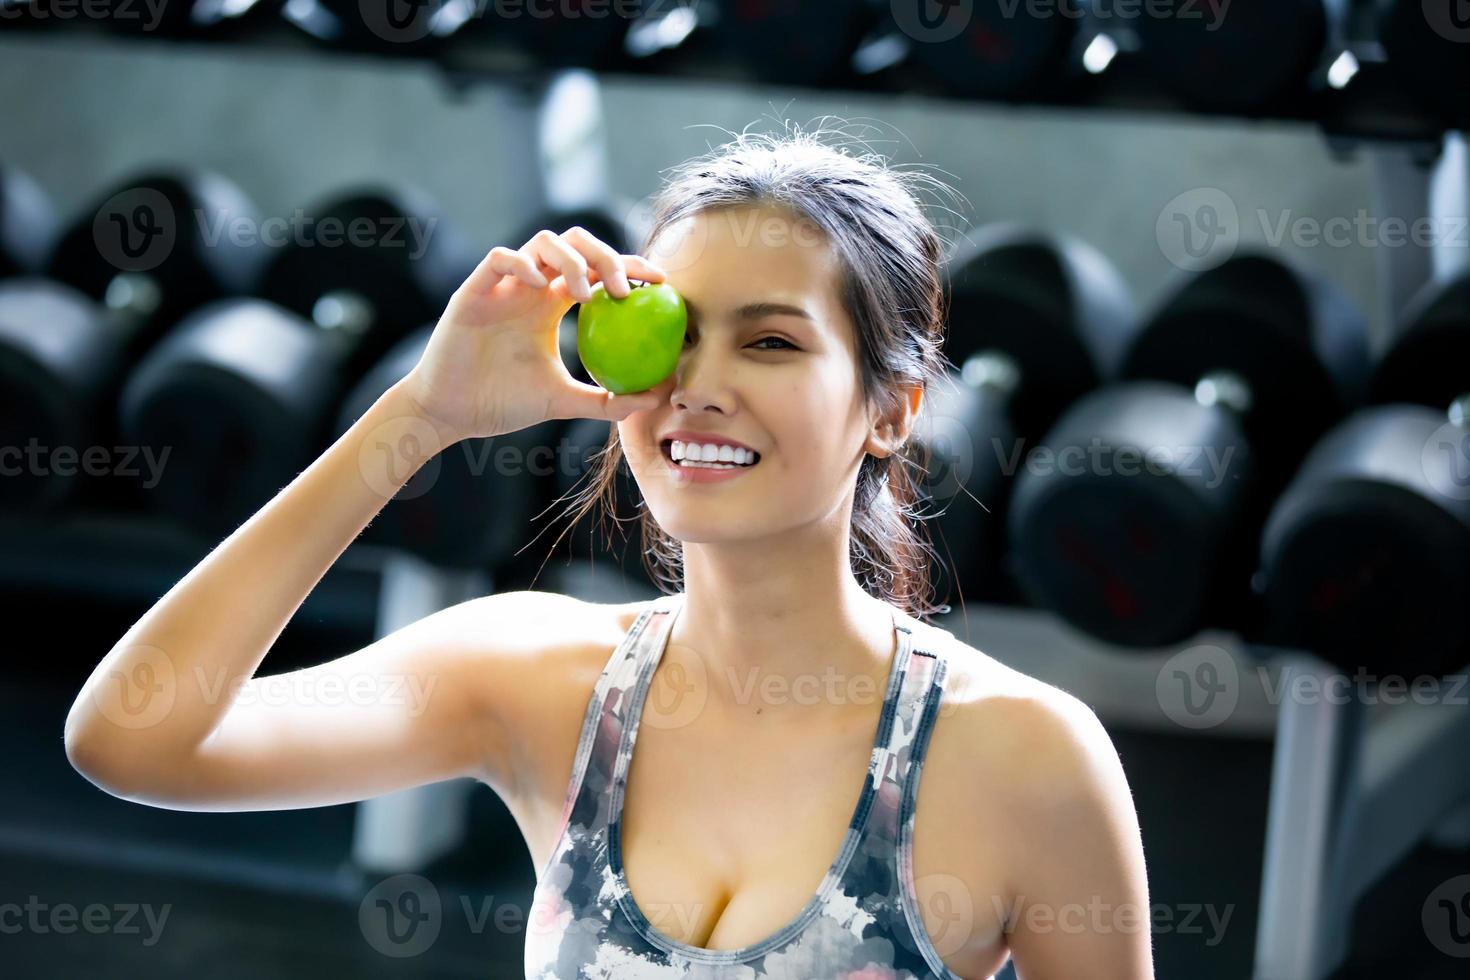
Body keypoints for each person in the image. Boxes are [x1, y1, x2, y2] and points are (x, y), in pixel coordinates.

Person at [64, 123, 1153, 980]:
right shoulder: (536, 679)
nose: (698, 385)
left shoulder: (1026, 756)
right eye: (672, 333)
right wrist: (421, 416)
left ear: (892, 408)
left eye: (770, 340)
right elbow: (132, 737)